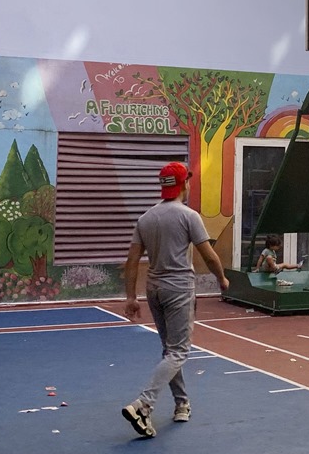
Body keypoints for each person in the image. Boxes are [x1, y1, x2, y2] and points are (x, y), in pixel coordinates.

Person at [121, 162, 229, 438]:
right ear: (185, 185)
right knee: (179, 351)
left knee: (170, 350)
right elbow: (208, 254)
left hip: (154, 289)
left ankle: (182, 403)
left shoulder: (146, 218)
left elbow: (132, 260)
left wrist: (131, 297)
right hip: (179, 288)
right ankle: (144, 404)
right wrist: (222, 279)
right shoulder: (188, 216)